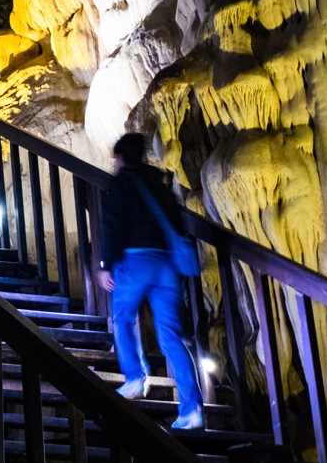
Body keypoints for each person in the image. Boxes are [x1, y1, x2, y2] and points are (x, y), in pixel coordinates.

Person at [97, 133, 204, 430]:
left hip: (135, 261)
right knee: (170, 336)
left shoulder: (120, 185)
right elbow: (177, 223)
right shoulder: (160, 186)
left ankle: (134, 377)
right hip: (167, 264)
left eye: (115, 159)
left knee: (122, 317)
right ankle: (192, 408)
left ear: (120, 158)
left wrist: (105, 264)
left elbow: (112, 226)